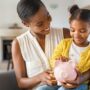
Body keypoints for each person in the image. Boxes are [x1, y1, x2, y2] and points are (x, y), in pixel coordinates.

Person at [12, 0, 70, 90]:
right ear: (25, 23)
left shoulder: (65, 34)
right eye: (40, 24)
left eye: (48, 16)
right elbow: (21, 83)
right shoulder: (18, 44)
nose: (47, 24)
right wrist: (39, 77)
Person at [50, 5, 90, 90]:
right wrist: (59, 60)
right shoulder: (64, 43)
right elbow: (53, 60)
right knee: (41, 89)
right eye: (72, 30)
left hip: (81, 84)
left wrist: (81, 78)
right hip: (61, 81)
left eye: (82, 31)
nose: (76, 35)